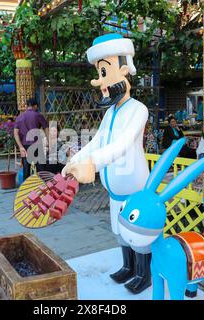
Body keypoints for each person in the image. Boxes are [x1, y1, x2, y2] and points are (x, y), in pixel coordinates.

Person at [62, 33, 151, 294]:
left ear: (124, 70)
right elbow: (98, 141)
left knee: (137, 232)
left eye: (104, 72)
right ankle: (128, 267)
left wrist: (93, 164)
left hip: (134, 187)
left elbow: (121, 145)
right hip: (114, 189)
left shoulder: (138, 110)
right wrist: (76, 160)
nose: (98, 81)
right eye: (98, 73)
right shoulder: (110, 113)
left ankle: (143, 273)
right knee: (119, 230)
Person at [14, 98, 49, 180]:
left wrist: (20, 146)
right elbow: (46, 128)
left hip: (25, 145)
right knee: (40, 168)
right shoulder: (38, 115)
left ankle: (25, 189)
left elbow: (15, 133)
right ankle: (42, 187)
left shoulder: (19, 117)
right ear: (35, 106)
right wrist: (49, 141)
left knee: (26, 168)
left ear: (27, 106)